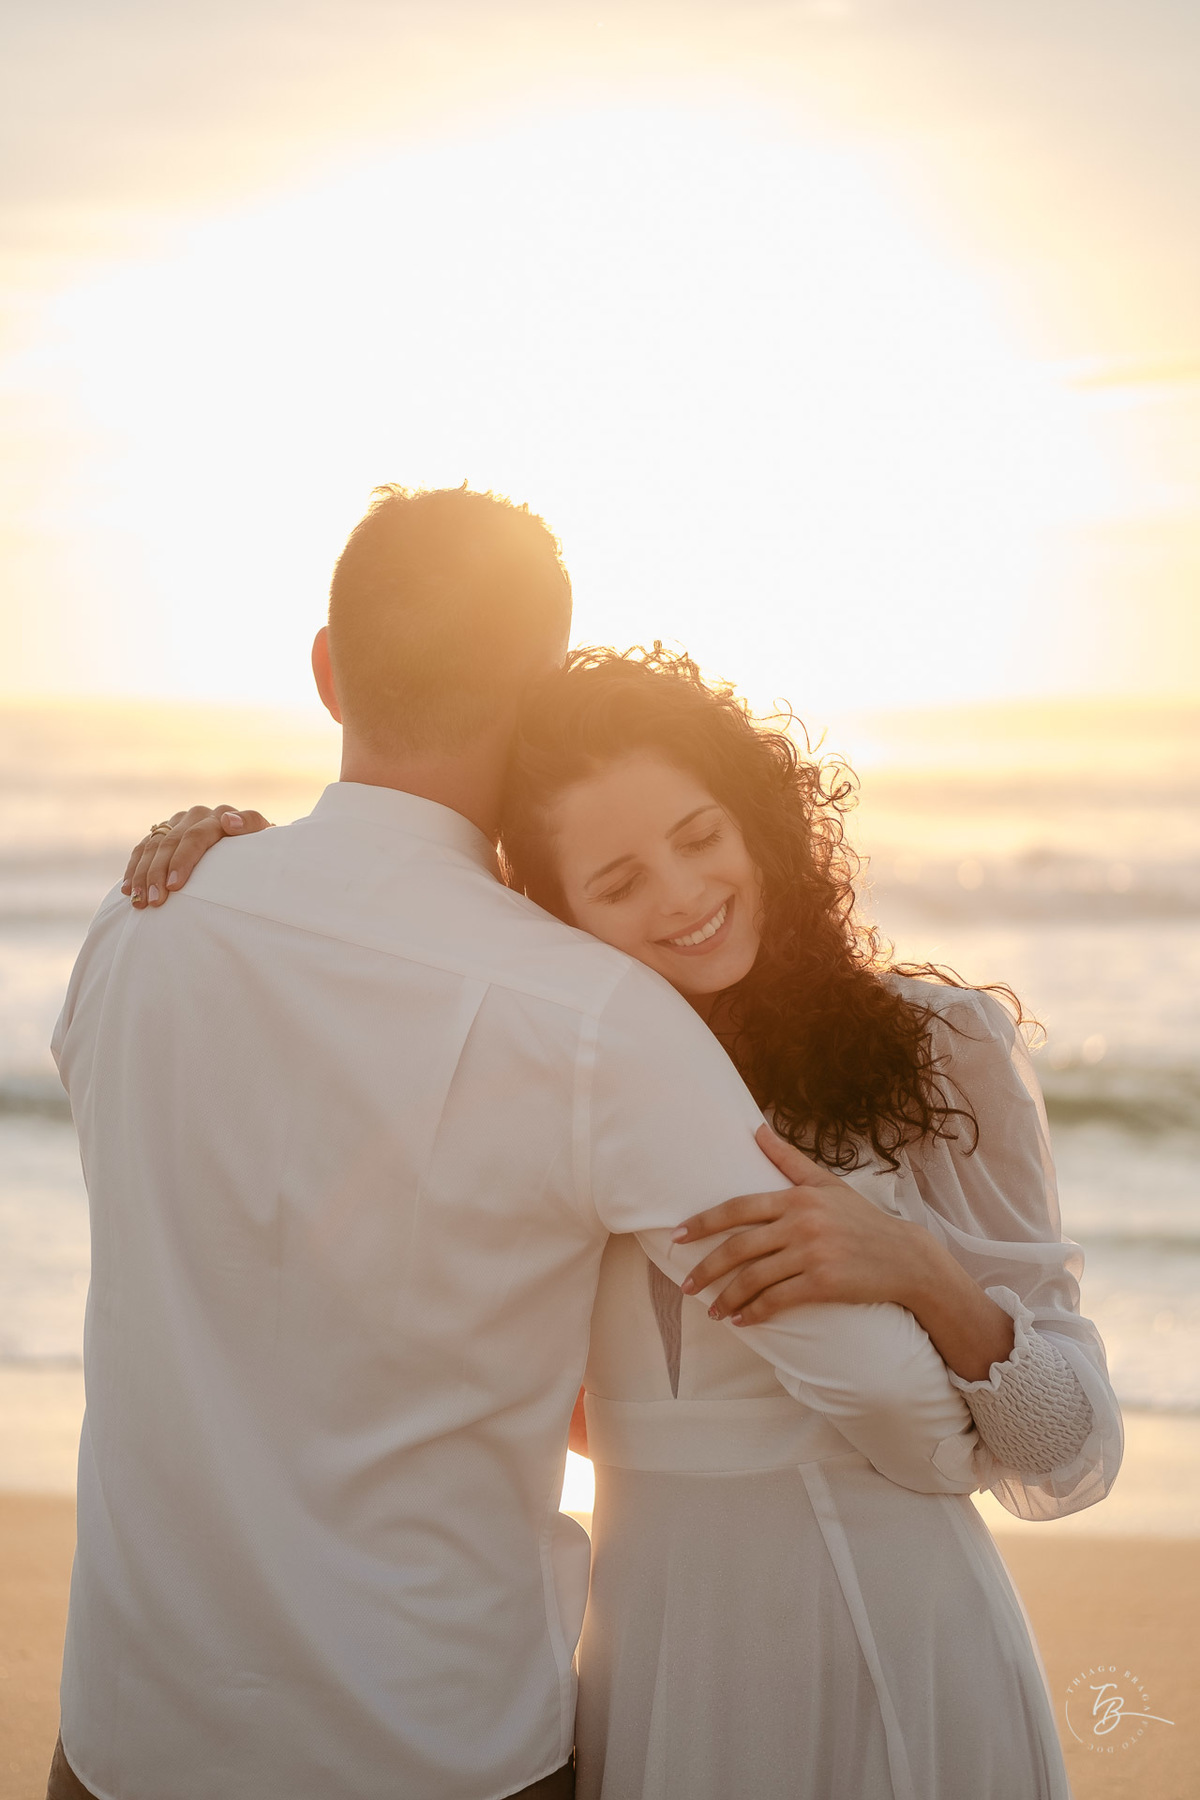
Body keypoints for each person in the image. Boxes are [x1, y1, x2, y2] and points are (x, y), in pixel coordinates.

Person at [51, 487, 994, 1800]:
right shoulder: (596, 1016)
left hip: (122, 1741)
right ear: (543, 689)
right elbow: (880, 1387)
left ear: (328, 671)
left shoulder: (142, 926)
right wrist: (963, 1445)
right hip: (432, 1753)